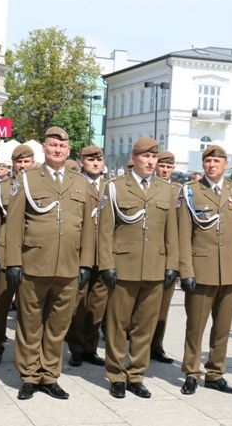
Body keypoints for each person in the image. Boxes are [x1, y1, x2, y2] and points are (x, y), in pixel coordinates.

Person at [5, 126, 94, 401]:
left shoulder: (80, 183)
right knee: (30, 324)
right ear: (44, 147)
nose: (58, 150)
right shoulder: (28, 179)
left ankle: (50, 375)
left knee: (58, 326)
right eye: (53, 145)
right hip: (34, 263)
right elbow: (14, 223)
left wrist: (86, 264)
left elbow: (89, 226)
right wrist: (13, 262)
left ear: (68, 150)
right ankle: (30, 376)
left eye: (62, 146)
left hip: (68, 266)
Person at [98, 139, 179, 399]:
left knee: (145, 326)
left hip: (155, 267)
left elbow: (172, 232)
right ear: (134, 158)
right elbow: (105, 229)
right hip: (123, 266)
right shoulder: (115, 187)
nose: (151, 161)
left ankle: (136, 375)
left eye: (154, 157)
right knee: (117, 324)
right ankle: (116, 375)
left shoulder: (166, 190)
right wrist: (107, 264)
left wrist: (172, 265)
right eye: (145, 156)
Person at [178, 145, 232, 396]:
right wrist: (186, 271)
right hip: (202, 269)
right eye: (208, 161)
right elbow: (183, 235)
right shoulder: (191, 192)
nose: (212, 165)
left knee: (222, 328)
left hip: (230, 270)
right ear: (203, 165)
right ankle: (191, 373)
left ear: (226, 163)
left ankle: (215, 373)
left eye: (217, 161)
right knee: (196, 326)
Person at [0, 144, 35, 368]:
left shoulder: (39, 185)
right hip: (6, 255)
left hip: (33, 255)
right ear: (13, 164)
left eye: (27, 162)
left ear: (33, 162)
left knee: (29, 309)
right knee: (0, 306)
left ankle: (26, 351)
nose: (23, 166)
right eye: (19, 162)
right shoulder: (2, 188)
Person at [65, 145, 108, 368]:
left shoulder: (110, 187)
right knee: (77, 305)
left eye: (98, 160)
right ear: (81, 162)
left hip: (104, 254)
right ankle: (76, 349)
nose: (95, 163)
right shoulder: (75, 183)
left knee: (97, 306)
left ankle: (91, 348)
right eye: (90, 160)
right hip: (80, 253)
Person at [150, 150, 181, 363]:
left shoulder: (179, 191)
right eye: (162, 166)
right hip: (149, 252)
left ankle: (156, 345)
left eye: (168, 167)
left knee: (162, 307)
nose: (164, 170)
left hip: (169, 255)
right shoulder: (148, 187)